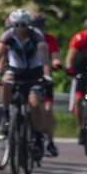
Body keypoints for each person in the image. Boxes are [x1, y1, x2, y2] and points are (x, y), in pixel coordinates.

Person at [0, 9, 52, 159]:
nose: (20, 28)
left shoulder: (36, 35)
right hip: (16, 68)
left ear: (28, 25)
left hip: (35, 71)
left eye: (23, 25)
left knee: (34, 103)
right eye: (17, 25)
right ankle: (6, 116)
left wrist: (46, 75)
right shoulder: (8, 35)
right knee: (6, 82)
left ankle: (38, 135)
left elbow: (45, 57)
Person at [32, 13, 61, 157]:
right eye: (35, 25)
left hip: (44, 77)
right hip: (28, 77)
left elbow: (55, 55)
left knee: (48, 109)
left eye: (40, 25)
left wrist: (55, 63)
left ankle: (50, 141)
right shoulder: (26, 37)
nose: (38, 28)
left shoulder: (49, 39)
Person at [65, 16, 87, 135]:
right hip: (81, 69)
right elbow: (70, 56)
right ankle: (81, 127)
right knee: (79, 99)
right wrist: (69, 68)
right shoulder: (80, 38)